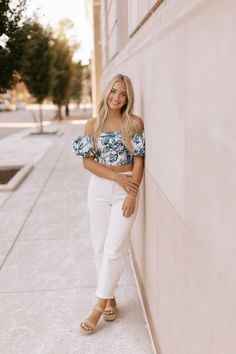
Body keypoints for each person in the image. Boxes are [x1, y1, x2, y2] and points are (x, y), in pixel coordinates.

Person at [72, 73, 145, 335]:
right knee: (100, 246)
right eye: (113, 91)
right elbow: (87, 162)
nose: (117, 97)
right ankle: (110, 297)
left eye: (122, 93)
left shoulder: (135, 123)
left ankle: (97, 307)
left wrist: (132, 193)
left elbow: (139, 159)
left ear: (128, 98)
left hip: (127, 188)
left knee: (115, 248)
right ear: (106, 93)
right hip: (100, 189)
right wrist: (115, 178)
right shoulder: (93, 124)